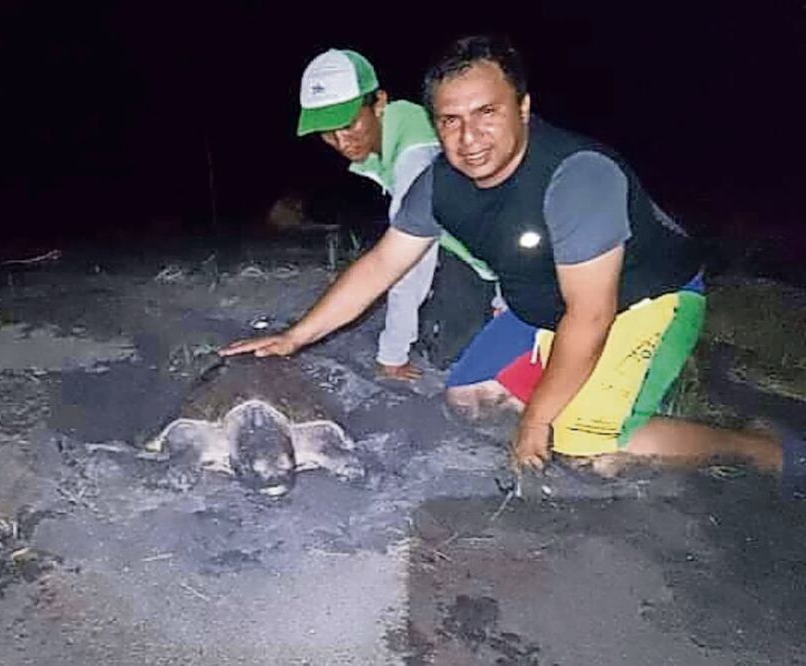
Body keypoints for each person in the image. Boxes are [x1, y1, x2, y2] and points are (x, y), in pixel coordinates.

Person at [224, 35, 805, 496]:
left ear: (523, 108)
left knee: (584, 451)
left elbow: (593, 313)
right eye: (450, 120)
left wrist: (540, 422)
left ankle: (757, 447)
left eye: (486, 113)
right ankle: (577, 392)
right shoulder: (440, 183)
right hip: (548, 304)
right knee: (467, 396)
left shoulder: (576, 176)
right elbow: (382, 264)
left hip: (644, 301)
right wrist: (294, 337)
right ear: (434, 122)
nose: (469, 137)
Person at [297, 48, 496, 381]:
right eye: (327, 131)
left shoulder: (415, 156)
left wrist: (392, 353)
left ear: (379, 103)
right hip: (459, 242)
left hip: (497, 262)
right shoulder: (403, 122)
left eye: (348, 124)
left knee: (451, 363)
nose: (340, 141)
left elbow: (409, 263)